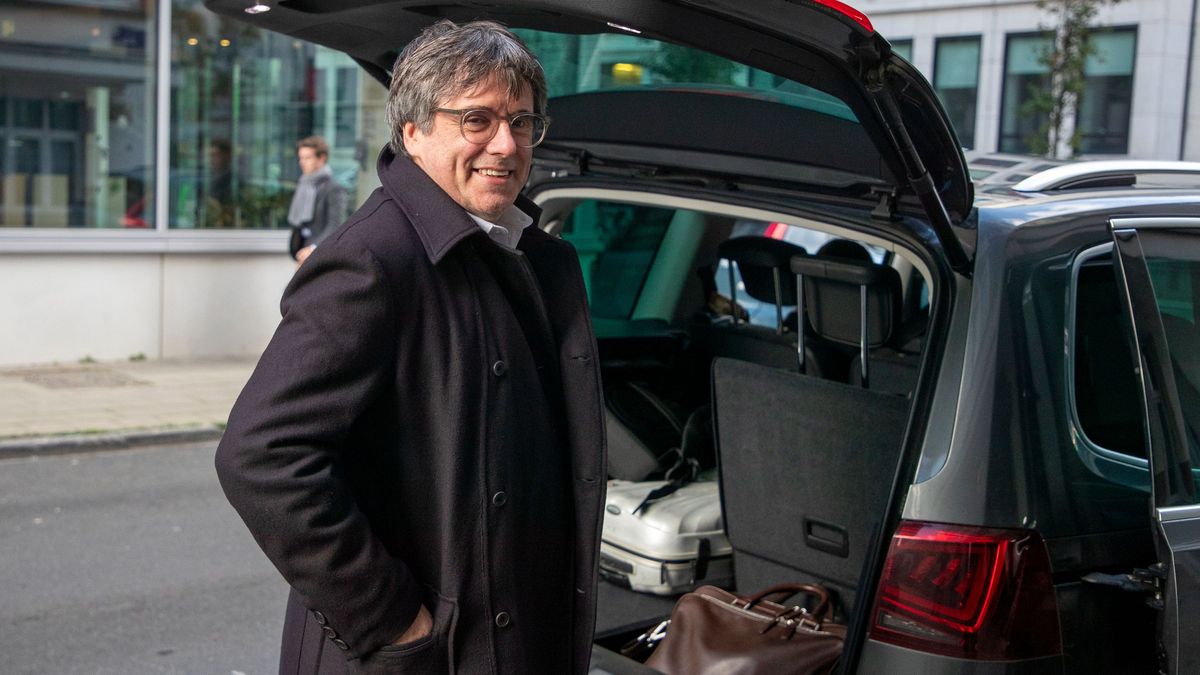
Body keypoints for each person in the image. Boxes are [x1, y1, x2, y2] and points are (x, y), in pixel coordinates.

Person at [215, 19, 606, 675]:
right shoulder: (373, 260)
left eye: (523, 122)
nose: (506, 145)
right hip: (428, 654)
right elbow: (260, 456)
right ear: (413, 132)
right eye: (477, 119)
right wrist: (394, 620)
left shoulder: (532, 254)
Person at [287, 136, 348, 265]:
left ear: (321, 158)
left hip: (321, 254)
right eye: (301, 158)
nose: (301, 162)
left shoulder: (334, 188)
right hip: (302, 251)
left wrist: (314, 247)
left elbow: (336, 224)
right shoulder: (304, 184)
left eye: (307, 158)